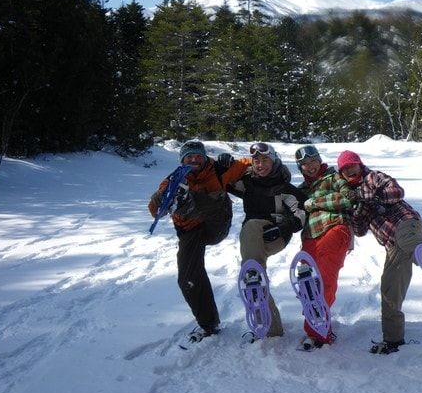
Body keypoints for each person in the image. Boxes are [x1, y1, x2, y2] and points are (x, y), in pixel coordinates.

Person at [148, 140, 251, 345]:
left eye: (198, 156)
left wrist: (230, 161)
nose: (194, 160)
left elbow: (254, 162)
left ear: (204, 158)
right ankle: (208, 324)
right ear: (182, 160)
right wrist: (159, 198)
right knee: (188, 277)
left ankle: (185, 200)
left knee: (211, 196)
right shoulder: (174, 178)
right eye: (189, 157)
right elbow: (154, 211)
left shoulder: (219, 169)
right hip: (190, 230)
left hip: (215, 224)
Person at [337, 149, 422, 354]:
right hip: (393, 245)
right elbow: (360, 231)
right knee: (389, 289)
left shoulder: (373, 178)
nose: (350, 170)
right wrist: (355, 209)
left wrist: (367, 196)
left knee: (408, 240)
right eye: (345, 169)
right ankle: (393, 340)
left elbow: (397, 192)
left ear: (359, 164)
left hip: (406, 223)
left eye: (352, 165)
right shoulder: (351, 198)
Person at [228, 142, 306, 341]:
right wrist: (225, 164)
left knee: (251, 228)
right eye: (256, 161)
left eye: (265, 160)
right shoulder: (247, 183)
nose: (260, 165)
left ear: (274, 161)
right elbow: (224, 181)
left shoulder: (284, 188)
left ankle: (253, 275)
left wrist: (283, 227)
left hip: (276, 235)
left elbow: (301, 213)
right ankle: (271, 329)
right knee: (253, 277)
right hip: (253, 236)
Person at [294, 145, 354, 349]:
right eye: (305, 164)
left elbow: (348, 198)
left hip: (335, 228)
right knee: (307, 283)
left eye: (313, 161)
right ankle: (316, 322)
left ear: (319, 161)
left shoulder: (333, 177)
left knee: (324, 279)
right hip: (310, 237)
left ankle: (317, 332)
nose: (310, 166)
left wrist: (315, 202)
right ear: (300, 168)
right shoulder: (301, 190)